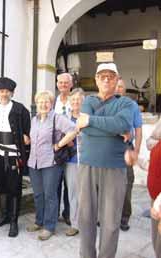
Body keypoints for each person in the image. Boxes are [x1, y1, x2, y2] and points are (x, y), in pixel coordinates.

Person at [76, 63, 134, 258]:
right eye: (102, 76)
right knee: (85, 218)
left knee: (110, 221)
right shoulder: (88, 101)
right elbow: (83, 128)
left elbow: (123, 123)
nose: (107, 79)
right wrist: (115, 130)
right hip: (88, 166)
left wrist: (91, 120)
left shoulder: (126, 104)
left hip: (115, 168)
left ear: (117, 79)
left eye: (111, 76)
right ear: (96, 80)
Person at [27, 90, 77, 241]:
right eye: (40, 102)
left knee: (50, 195)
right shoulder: (34, 120)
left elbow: (73, 130)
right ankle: (39, 221)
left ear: (51, 103)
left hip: (51, 163)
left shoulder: (57, 118)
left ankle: (49, 226)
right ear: (37, 104)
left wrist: (59, 144)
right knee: (38, 194)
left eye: (46, 101)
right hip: (34, 162)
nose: (43, 104)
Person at [0, 77, 30, 237]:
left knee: (14, 188)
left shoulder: (20, 109)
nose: (4, 94)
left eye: (7, 92)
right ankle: (4, 216)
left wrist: (26, 138)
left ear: (12, 93)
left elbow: (27, 131)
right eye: (1, 91)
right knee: (1, 185)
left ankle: (13, 221)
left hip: (14, 154)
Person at [115, 78, 142, 231]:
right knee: (106, 184)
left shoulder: (132, 105)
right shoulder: (106, 103)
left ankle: (124, 218)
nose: (118, 89)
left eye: (121, 87)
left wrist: (136, 151)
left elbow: (138, 130)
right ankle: (106, 216)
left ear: (124, 90)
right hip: (108, 148)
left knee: (126, 184)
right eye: (116, 86)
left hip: (126, 147)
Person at [64, 88, 85, 237]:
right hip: (71, 161)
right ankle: (75, 223)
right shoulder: (64, 118)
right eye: (73, 100)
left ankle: (90, 220)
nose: (75, 102)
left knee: (89, 193)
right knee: (73, 193)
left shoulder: (88, 117)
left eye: (78, 99)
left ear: (83, 101)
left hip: (88, 161)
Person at [54, 72, 73, 225]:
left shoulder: (76, 101)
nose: (63, 85)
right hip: (56, 147)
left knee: (70, 183)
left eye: (66, 83)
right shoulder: (52, 101)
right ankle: (53, 214)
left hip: (72, 147)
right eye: (60, 82)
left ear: (71, 84)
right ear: (57, 84)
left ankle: (67, 213)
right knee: (55, 182)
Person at [146, 118, 161, 257]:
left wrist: (158, 204)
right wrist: (136, 160)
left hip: (159, 201)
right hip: (155, 196)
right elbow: (149, 142)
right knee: (156, 238)